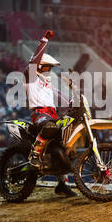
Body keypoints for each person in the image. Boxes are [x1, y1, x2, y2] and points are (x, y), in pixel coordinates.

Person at [24, 30, 76, 197]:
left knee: (67, 145)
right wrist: (44, 40)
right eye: (46, 66)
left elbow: (63, 99)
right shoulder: (31, 77)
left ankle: (62, 184)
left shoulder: (48, 84)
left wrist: (76, 103)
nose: (48, 70)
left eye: (50, 67)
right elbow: (33, 60)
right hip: (39, 115)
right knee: (50, 127)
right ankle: (34, 154)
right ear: (39, 67)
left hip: (52, 116)